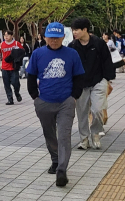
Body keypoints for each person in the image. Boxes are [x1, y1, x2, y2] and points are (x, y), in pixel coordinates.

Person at [27, 22, 84, 187]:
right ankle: (55, 159)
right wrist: (35, 97)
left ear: (63, 37)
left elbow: (79, 77)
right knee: (49, 133)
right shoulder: (38, 54)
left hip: (66, 101)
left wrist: (74, 96)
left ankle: (61, 169)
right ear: (45, 37)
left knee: (64, 135)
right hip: (44, 101)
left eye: (57, 38)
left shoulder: (72, 54)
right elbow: (31, 76)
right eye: (51, 38)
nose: (54, 41)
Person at [68, 18, 115, 150]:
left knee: (98, 110)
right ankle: (84, 139)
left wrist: (107, 79)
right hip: (80, 84)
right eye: (73, 30)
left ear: (85, 29)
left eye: (76, 30)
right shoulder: (72, 46)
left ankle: (95, 133)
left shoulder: (99, 43)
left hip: (98, 81)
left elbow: (107, 61)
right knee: (82, 113)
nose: (74, 32)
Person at [0, 30, 24, 105]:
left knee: (15, 82)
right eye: (5, 35)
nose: (6, 37)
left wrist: (17, 59)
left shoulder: (16, 44)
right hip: (5, 67)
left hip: (13, 67)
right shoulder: (1, 44)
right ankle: (10, 99)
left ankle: (17, 93)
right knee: (6, 84)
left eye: (8, 35)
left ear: (12, 36)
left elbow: (22, 52)